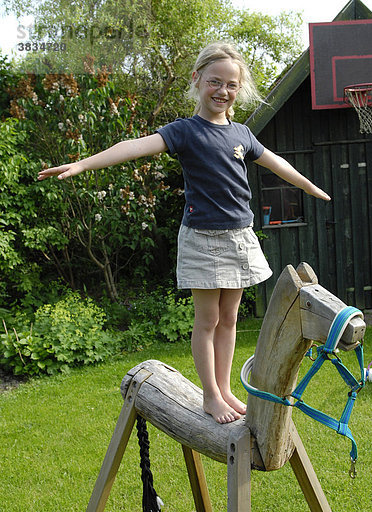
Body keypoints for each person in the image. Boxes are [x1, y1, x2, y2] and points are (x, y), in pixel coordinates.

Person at [38, 42, 331, 424]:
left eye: (230, 85)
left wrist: (308, 186)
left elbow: (276, 163)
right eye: (214, 82)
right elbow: (133, 147)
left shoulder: (242, 133)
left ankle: (225, 390)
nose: (222, 91)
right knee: (207, 320)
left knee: (229, 319)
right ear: (197, 80)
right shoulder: (185, 132)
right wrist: (82, 164)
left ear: (237, 90)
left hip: (240, 236)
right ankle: (210, 395)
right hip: (204, 240)